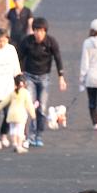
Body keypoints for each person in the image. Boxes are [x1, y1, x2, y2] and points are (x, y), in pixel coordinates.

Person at [18, 17, 67, 147]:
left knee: (42, 108)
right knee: (30, 107)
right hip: (29, 77)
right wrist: (19, 77)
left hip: (44, 77)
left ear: (45, 31)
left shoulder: (51, 42)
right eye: (36, 30)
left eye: (41, 31)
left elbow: (58, 59)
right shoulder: (27, 42)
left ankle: (38, 134)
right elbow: (19, 58)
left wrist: (61, 77)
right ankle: (29, 135)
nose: (38, 33)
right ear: (33, 31)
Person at [0, 74, 36, 153]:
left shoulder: (13, 92)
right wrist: (33, 114)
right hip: (21, 115)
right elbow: (29, 105)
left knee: (13, 130)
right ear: (24, 83)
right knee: (20, 131)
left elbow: (5, 101)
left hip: (11, 114)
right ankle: (19, 146)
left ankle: (14, 143)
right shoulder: (25, 93)